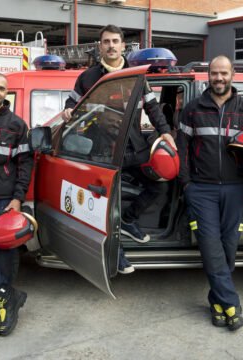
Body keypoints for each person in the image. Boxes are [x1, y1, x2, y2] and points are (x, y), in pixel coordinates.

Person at [176, 55, 243, 331]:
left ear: (233, 74)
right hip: (201, 190)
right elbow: (182, 151)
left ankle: (217, 302)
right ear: (209, 76)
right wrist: (187, 185)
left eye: (224, 73)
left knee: (228, 247)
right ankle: (232, 304)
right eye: (214, 73)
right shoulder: (192, 109)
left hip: (237, 189)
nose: (219, 78)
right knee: (211, 247)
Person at [62, 24, 176, 274]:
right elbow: (72, 102)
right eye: (106, 41)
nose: (111, 45)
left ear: (123, 45)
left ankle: (130, 219)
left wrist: (166, 132)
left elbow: (153, 107)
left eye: (115, 41)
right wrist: (69, 109)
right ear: (100, 46)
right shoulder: (88, 77)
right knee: (106, 206)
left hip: (134, 147)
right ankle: (118, 254)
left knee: (160, 185)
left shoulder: (137, 75)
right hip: (101, 151)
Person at [0, 72, 33, 336]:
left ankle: (6, 301)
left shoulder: (17, 126)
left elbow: (24, 165)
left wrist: (17, 199)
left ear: (6, 93)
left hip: (2, 200)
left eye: (1, 88)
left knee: (2, 255)